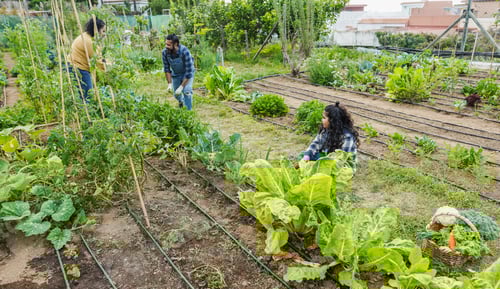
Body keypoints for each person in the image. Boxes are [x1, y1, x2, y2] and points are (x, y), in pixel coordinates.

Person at [301, 101, 360, 168]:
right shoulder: (325, 130)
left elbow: (342, 159)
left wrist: (323, 164)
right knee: (303, 155)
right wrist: (308, 154)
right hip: (327, 158)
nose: (322, 120)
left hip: (342, 165)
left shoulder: (347, 137)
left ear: (332, 121)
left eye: (324, 118)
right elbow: (316, 143)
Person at [68, 17, 106, 101]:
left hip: (75, 65)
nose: (104, 34)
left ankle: (83, 109)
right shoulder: (89, 42)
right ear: (96, 30)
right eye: (103, 31)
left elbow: (98, 55)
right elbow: (98, 61)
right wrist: (109, 70)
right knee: (87, 95)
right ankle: (86, 111)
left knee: (82, 93)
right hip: (78, 68)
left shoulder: (86, 36)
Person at [162, 34, 195, 110]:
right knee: (176, 94)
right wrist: (169, 84)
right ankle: (181, 101)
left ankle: (188, 112)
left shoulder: (184, 51)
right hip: (176, 74)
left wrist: (181, 87)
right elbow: (167, 69)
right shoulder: (165, 53)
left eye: (169, 45)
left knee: (187, 91)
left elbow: (189, 72)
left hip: (187, 74)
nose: (166, 46)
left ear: (175, 44)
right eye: (166, 44)